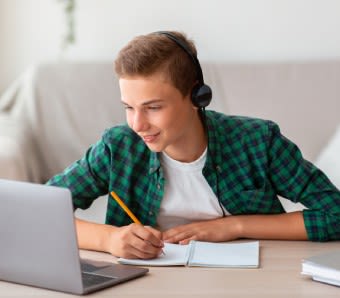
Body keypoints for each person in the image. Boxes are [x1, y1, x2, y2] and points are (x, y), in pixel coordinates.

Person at [47, 31, 340, 259]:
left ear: (197, 97)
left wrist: (233, 226)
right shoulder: (117, 148)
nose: (137, 124)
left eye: (153, 107)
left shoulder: (258, 141)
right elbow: (41, 210)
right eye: (129, 107)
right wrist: (108, 240)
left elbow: (335, 214)